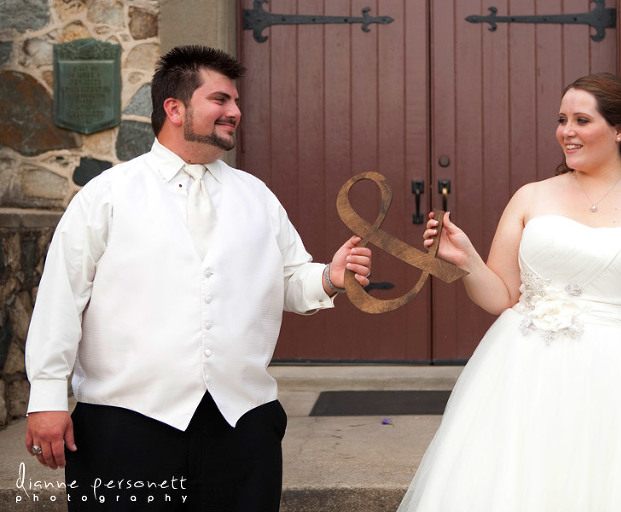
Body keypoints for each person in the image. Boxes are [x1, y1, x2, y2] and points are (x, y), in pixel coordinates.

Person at [24, 45, 372, 511]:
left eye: (235, 102)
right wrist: (46, 396)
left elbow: (288, 280)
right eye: (221, 100)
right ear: (174, 108)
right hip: (126, 424)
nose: (235, 112)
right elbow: (60, 299)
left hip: (242, 422)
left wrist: (329, 277)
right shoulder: (107, 195)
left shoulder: (257, 195)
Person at [398, 73, 621, 511]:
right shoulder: (531, 197)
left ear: (620, 129)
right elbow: (499, 297)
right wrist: (467, 260)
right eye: (562, 119)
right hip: (525, 374)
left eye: (582, 120)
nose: (566, 132)